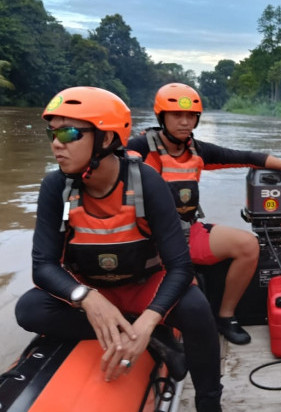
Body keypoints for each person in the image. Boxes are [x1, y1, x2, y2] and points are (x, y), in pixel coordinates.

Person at [15, 87, 223, 412]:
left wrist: (151, 317)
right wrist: (88, 297)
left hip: (143, 286)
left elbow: (180, 266)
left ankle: (209, 403)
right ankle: (153, 336)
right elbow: (43, 266)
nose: (57, 143)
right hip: (94, 287)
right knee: (29, 309)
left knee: (197, 310)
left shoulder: (147, 182)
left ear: (107, 138)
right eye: (52, 133)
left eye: (69, 133)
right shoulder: (55, 187)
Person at [127, 82, 281, 345]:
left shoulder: (197, 150)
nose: (184, 122)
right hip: (149, 240)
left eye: (190, 116)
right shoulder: (139, 149)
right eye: (176, 115)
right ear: (161, 117)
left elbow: (246, 156)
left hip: (186, 233)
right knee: (181, 282)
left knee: (248, 246)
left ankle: (226, 316)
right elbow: (113, 167)